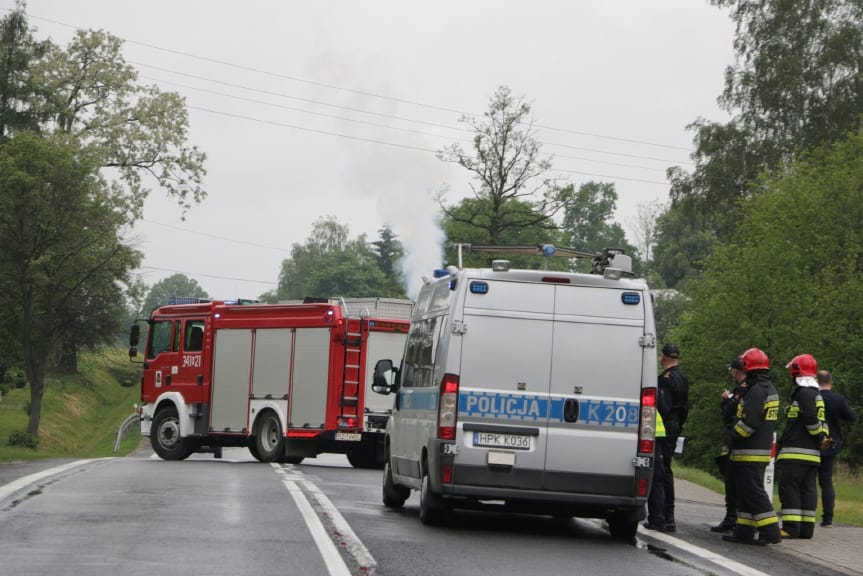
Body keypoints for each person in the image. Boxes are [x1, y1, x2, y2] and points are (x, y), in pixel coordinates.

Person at [722, 347, 782, 545]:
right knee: (747, 492)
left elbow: (750, 423)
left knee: (754, 492)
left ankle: (771, 531)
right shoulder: (769, 389)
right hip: (757, 450)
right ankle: (744, 531)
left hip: (749, 451)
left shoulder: (756, 391)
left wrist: (733, 436)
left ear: (749, 367)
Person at [776, 354, 830, 539]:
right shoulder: (815, 393)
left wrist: (820, 436)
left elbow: (810, 420)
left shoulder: (804, 393)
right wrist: (822, 440)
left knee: (790, 487)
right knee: (808, 490)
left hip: (796, 453)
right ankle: (806, 529)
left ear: (796, 372)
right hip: (812, 455)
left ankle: (791, 527)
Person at [816, 369, 857, 527]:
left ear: (816, 381)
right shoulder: (838, 399)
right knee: (826, 481)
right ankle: (827, 518)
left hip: (812, 441)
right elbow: (852, 417)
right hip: (830, 441)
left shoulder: (812, 397)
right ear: (831, 382)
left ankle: (803, 514)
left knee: (806, 481)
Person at [711, 356, 747, 533]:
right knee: (731, 478)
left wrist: (727, 400)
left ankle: (734, 518)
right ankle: (732, 516)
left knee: (735, 481)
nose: (731, 372)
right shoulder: (741, 389)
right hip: (733, 439)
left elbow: (728, 413)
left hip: (737, 440)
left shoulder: (743, 390)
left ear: (737, 370)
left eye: (732, 369)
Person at [657, 342, 690, 532]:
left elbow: (664, 406)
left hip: (665, 426)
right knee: (666, 469)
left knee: (663, 471)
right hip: (676, 425)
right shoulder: (683, 377)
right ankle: (667, 515)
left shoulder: (666, 379)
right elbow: (684, 408)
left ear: (665, 357)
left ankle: (666, 516)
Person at [644, 390, 669, 531]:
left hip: (652, 433)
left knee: (656, 478)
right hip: (655, 433)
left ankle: (657, 519)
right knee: (657, 478)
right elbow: (665, 409)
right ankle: (657, 519)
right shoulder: (654, 388)